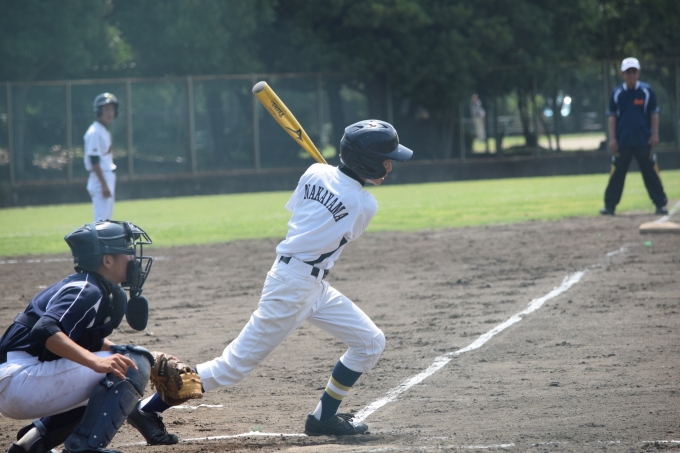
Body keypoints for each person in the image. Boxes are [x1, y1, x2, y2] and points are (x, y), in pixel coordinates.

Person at [134, 120, 414, 436]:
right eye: (385, 160)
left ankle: (323, 418)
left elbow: (301, 209)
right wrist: (340, 189)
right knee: (231, 367)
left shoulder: (314, 172)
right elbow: (346, 226)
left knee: (370, 342)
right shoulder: (365, 203)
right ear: (366, 162)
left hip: (310, 284)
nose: (390, 166)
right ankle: (146, 410)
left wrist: (331, 184)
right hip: (292, 288)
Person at [0, 221, 179, 453]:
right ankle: (85, 448)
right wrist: (100, 362)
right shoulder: (86, 289)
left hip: (20, 381)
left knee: (127, 361)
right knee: (127, 365)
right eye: (128, 252)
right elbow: (45, 329)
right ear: (107, 260)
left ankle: (30, 445)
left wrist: (146, 360)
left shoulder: (98, 289)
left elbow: (83, 341)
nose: (133, 259)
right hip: (18, 379)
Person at [600, 57, 668, 216]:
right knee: (617, 173)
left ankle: (660, 204)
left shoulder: (646, 91)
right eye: (628, 72)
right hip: (623, 141)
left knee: (651, 172)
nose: (631, 75)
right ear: (622, 73)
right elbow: (612, 117)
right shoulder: (617, 93)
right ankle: (610, 206)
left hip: (643, 140)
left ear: (638, 73)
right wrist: (612, 138)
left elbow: (653, 114)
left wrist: (655, 134)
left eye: (634, 71)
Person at [85, 93, 119, 222]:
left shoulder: (103, 131)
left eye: (112, 109)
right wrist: (104, 184)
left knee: (106, 220)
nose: (110, 113)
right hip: (100, 178)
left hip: (106, 176)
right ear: (99, 111)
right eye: (106, 109)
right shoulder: (95, 131)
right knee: (101, 221)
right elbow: (94, 160)